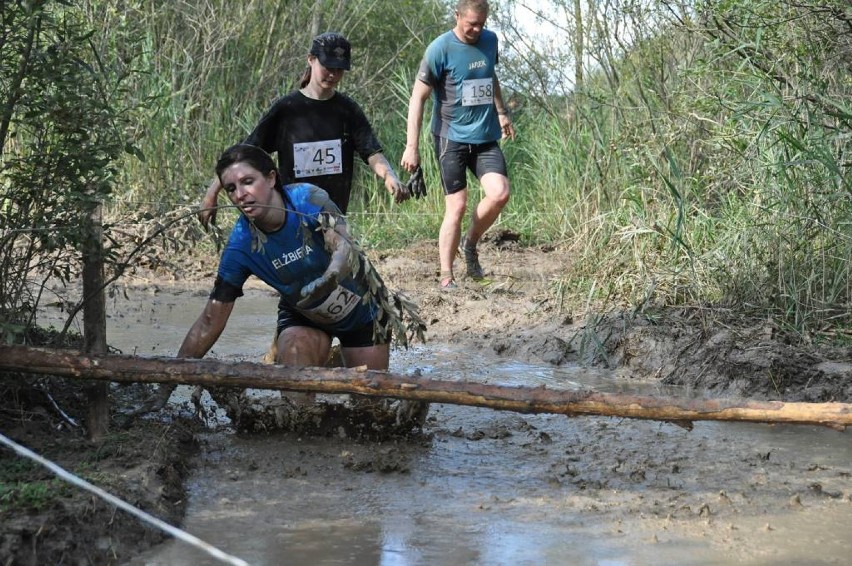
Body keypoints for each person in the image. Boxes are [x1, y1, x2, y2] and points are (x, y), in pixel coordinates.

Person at [199, 31, 408, 228]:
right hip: (293, 215)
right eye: (328, 67)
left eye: (339, 69)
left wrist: (389, 176)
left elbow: (371, 151)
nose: (333, 75)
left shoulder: (348, 109)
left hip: (333, 217)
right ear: (311, 59)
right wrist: (211, 194)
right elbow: (244, 154)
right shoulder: (287, 109)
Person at [400, 0, 515, 290]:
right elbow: (417, 98)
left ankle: (470, 243)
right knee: (457, 206)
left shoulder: (490, 40)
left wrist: (501, 112)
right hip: (450, 138)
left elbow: (490, 75)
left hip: (485, 136)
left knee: (500, 193)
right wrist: (411, 146)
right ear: (457, 16)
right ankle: (446, 276)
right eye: (471, 23)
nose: (477, 29)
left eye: (481, 23)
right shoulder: (440, 48)